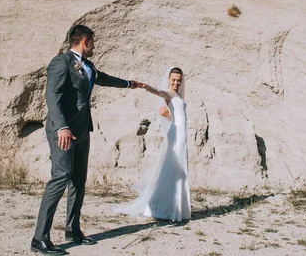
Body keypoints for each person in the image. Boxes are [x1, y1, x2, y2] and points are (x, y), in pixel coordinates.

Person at [31, 24, 139, 255]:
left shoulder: (88, 65)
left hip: (81, 131)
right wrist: (61, 126)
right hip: (63, 131)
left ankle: (73, 230)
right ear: (86, 41)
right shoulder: (60, 62)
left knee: (78, 181)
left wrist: (130, 84)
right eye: (93, 42)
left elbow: (103, 78)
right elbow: (53, 95)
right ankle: (40, 238)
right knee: (60, 178)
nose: (94, 46)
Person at [119, 67, 191, 222]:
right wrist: (146, 87)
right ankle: (161, 207)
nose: (176, 83)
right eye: (173, 80)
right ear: (169, 79)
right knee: (172, 169)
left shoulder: (179, 95)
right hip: (175, 137)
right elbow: (158, 92)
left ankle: (176, 208)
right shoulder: (169, 93)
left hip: (181, 135)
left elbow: (177, 119)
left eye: (179, 80)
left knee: (179, 169)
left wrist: (169, 115)